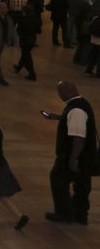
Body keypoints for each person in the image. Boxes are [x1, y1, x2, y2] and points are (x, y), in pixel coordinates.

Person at [44, 81, 96, 225]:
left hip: (73, 156)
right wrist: (59, 117)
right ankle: (80, 215)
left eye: (59, 92)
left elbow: (78, 138)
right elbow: (77, 121)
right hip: (86, 156)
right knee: (82, 185)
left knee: (58, 180)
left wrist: (73, 159)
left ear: (65, 92)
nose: (59, 96)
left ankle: (63, 213)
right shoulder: (81, 103)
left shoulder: (76, 110)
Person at [13, 3, 39, 81]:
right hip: (32, 40)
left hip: (24, 40)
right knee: (25, 54)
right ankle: (19, 67)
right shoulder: (34, 19)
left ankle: (32, 74)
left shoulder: (22, 19)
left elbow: (18, 30)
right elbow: (39, 30)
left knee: (27, 57)